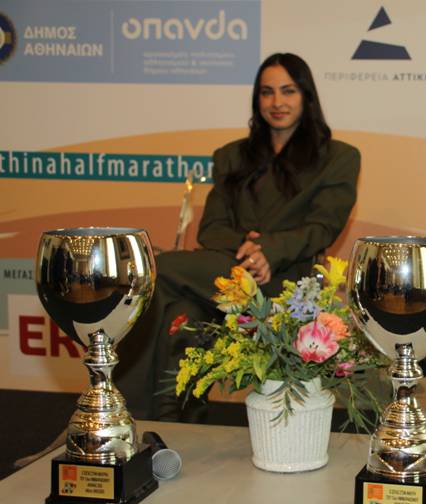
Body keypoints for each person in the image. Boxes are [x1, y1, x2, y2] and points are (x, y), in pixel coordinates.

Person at [116, 52, 360, 421]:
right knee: (183, 319)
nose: (277, 102)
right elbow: (211, 229)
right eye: (267, 92)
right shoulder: (231, 156)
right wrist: (250, 250)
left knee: (160, 269)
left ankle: (122, 410)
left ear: (306, 96)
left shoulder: (338, 158)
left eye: (288, 91)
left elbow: (322, 227)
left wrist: (270, 251)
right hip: (227, 275)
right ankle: (173, 424)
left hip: (288, 283)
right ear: (256, 99)